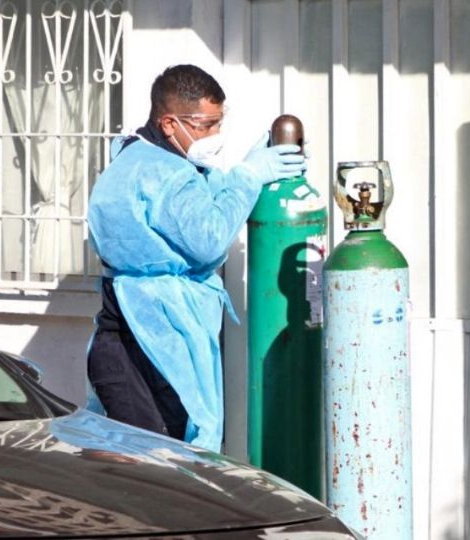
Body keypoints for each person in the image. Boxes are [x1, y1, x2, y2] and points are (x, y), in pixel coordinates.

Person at [86, 64, 306, 452]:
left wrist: (230, 178)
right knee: (161, 467)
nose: (215, 136)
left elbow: (184, 214)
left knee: (135, 458)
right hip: (157, 343)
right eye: (206, 125)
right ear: (170, 123)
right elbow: (208, 239)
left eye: (220, 123)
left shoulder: (131, 159)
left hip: (122, 338)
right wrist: (247, 178)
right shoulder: (171, 175)